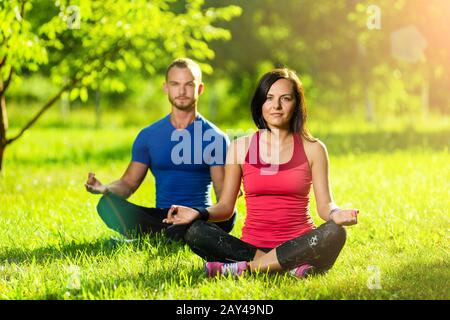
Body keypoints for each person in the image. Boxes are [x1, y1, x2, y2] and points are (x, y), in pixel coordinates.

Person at [163, 68, 359, 278]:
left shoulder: (314, 148)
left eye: (285, 98)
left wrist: (335, 213)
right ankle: (286, 268)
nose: (276, 106)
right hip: (251, 246)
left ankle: (248, 268)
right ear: (260, 104)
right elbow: (226, 207)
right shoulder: (240, 148)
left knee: (336, 232)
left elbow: (325, 205)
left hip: (299, 245)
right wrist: (198, 213)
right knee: (195, 231)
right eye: (269, 98)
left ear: (297, 104)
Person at [85, 58, 236, 241]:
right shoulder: (149, 135)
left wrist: (231, 190)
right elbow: (128, 184)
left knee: (228, 217)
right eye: (175, 84)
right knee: (107, 205)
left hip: (198, 216)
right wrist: (106, 188)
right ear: (166, 87)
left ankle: (153, 238)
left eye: (189, 84)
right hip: (162, 217)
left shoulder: (215, 138)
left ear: (200, 88)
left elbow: (223, 197)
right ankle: (171, 235)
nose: (181, 91)